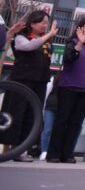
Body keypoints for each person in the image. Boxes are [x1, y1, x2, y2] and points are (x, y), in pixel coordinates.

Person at [0, 10, 57, 161]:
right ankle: (10, 149)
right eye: (42, 22)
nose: (45, 26)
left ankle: (22, 150)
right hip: (21, 82)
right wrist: (48, 35)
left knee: (32, 115)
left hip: (40, 82)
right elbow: (29, 47)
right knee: (16, 114)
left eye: (47, 23)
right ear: (32, 23)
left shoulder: (47, 40)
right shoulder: (21, 38)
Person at [47, 15, 85, 163]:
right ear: (81, 26)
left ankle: (67, 154)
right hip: (69, 86)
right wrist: (80, 43)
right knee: (62, 120)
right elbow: (69, 59)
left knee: (75, 122)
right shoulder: (72, 42)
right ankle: (53, 154)